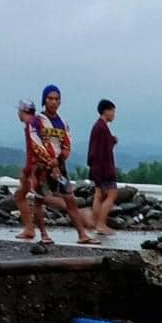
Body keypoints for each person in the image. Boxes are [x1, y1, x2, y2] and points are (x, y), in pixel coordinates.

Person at [29, 84, 100, 247]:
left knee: (70, 199)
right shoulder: (36, 121)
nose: (53, 102)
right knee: (39, 200)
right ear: (44, 100)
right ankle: (44, 234)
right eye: (50, 99)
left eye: (56, 99)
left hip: (59, 167)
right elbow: (35, 143)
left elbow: (67, 145)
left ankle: (82, 234)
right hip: (41, 167)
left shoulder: (63, 123)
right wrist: (49, 162)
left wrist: (58, 161)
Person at [88, 99, 119, 233]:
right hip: (104, 168)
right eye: (113, 111)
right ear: (106, 111)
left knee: (98, 195)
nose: (114, 114)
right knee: (112, 194)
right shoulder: (101, 128)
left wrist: (112, 140)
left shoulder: (99, 127)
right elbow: (102, 151)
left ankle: (97, 224)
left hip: (97, 168)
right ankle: (101, 224)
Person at [14, 100, 42, 241]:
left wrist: (29, 170)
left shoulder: (30, 126)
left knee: (21, 196)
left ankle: (29, 229)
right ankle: (29, 228)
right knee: (20, 195)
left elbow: (33, 150)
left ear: (22, 111)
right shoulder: (36, 123)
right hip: (36, 166)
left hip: (33, 167)